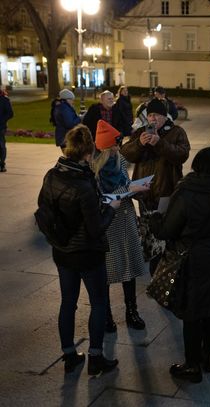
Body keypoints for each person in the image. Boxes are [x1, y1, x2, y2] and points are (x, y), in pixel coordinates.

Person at [37, 124, 120, 375]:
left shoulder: (52, 174)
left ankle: (69, 355)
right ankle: (96, 357)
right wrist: (111, 209)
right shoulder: (84, 185)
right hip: (87, 253)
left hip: (62, 250)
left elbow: (44, 208)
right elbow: (96, 229)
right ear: (87, 153)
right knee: (98, 303)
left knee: (67, 303)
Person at [150, 147, 210, 383]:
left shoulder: (186, 191)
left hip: (192, 256)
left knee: (192, 311)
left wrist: (155, 219)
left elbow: (167, 230)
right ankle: (209, 356)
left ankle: (192, 365)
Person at [120, 98, 190, 275]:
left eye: (157, 115)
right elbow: (125, 153)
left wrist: (160, 143)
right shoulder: (141, 132)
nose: (153, 118)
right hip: (144, 193)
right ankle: (153, 269)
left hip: (166, 192)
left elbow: (182, 155)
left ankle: (166, 270)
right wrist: (139, 144)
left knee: (165, 234)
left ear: (165, 116)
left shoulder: (176, 132)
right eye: (150, 115)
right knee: (149, 235)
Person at [92, 120, 149, 332]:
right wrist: (126, 190)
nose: (118, 148)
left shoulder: (121, 159)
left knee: (130, 266)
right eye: (114, 146)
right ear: (104, 148)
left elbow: (125, 183)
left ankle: (132, 311)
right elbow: (99, 198)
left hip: (126, 216)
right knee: (108, 270)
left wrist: (136, 188)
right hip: (108, 222)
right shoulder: (93, 167)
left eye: (118, 144)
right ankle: (106, 315)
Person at [0, 86, 14, 172]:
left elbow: (10, 113)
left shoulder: (5, 100)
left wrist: (2, 121)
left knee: (1, 145)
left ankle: (2, 164)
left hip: (1, 127)